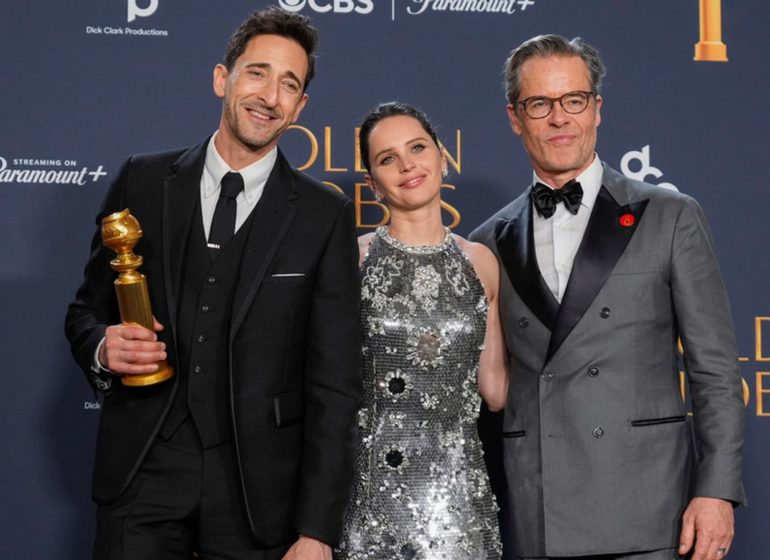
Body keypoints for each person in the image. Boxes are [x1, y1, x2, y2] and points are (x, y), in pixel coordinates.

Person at [64, 7, 361, 559]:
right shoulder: (144, 180)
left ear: (300, 106)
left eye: (288, 84)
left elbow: (335, 385)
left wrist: (317, 529)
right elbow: (85, 310)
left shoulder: (324, 214)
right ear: (222, 78)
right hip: (143, 473)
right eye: (257, 72)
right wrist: (105, 345)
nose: (269, 95)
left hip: (259, 492)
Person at [469, 34, 746, 560]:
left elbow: (714, 369)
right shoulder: (488, 243)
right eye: (539, 105)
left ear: (597, 109)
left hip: (648, 508)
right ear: (514, 117)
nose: (559, 118)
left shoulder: (670, 216)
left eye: (573, 100)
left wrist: (716, 491)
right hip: (538, 512)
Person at [335, 102, 508, 559]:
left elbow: (495, 391)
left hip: (459, 506)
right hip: (371, 502)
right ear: (372, 184)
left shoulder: (481, 263)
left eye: (417, 148)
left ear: (442, 158)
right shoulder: (352, 262)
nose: (407, 164)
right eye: (388, 158)